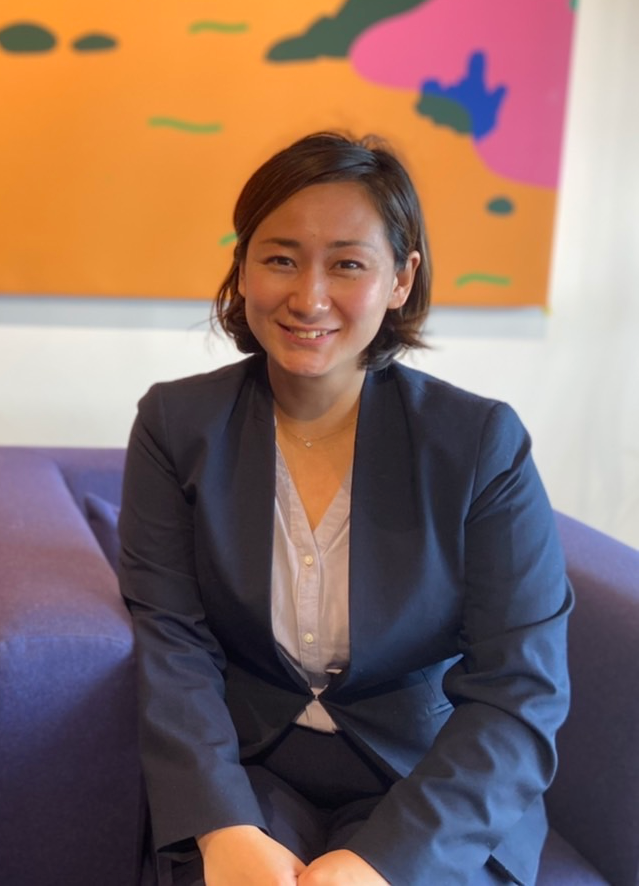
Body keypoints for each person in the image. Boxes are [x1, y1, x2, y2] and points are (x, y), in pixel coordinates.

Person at [118, 132, 572, 885]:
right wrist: (223, 824)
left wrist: (383, 863)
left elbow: (520, 688)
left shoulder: (479, 444)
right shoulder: (176, 425)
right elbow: (172, 643)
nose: (310, 297)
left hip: (427, 778)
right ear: (242, 268)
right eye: (281, 259)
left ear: (401, 279)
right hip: (251, 768)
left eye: (348, 264)